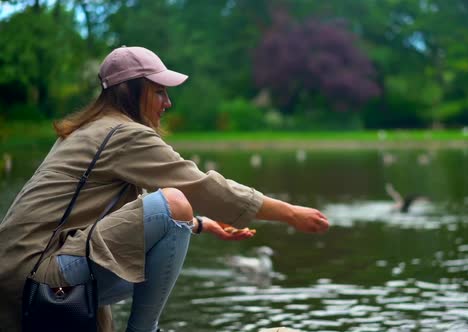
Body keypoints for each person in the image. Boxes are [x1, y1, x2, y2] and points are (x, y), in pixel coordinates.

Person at [0, 46, 329, 332]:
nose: (168, 102)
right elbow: (201, 188)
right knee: (175, 203)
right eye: (159, 92)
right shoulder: (124, 133)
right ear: (130, 91)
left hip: (18, 275)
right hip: (39, 279)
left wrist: (200, 225)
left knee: (171, 217)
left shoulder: (85, 131)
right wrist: (290, 213)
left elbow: (120, 212)